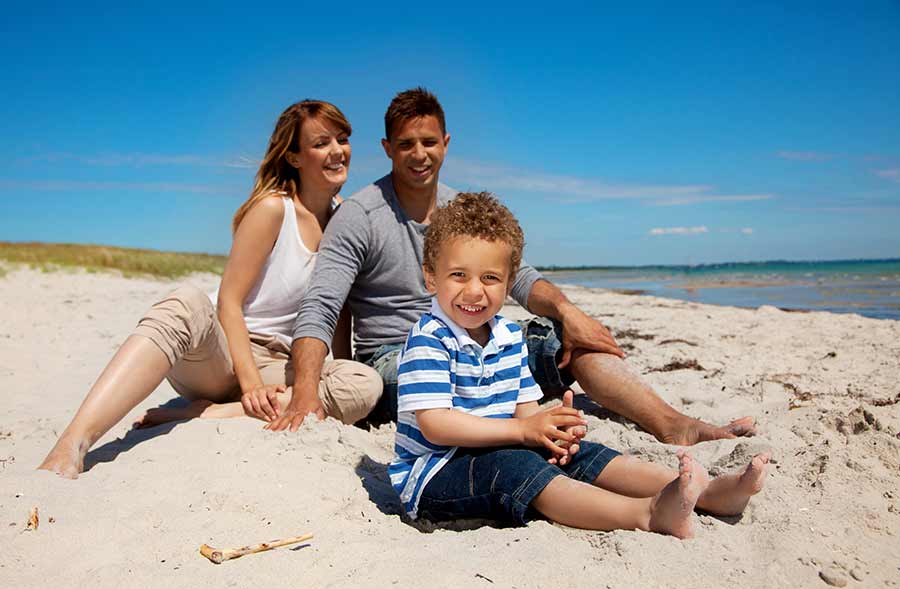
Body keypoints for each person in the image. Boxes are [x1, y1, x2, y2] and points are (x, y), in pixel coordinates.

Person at [269, 87, 755, 447]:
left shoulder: (462, 211)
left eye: (430, 142)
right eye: (406, 144)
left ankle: (673, 424)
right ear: (388, 148)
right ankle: (515, 432)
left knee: (566, 340)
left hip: (478, 337)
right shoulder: (361, 213)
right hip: (402, 355)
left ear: (446, 142)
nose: (420, 154)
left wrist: (568, 312)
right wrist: (306, 392)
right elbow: (321, 305)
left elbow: (518, 276)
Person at [389, 192, 769, 536]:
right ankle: (646, 514)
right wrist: (524, 433)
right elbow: (436, 426)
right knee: (518, 467)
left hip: (500, 446)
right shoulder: (429, 338)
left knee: (577, 454)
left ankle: (711, 493)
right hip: (435, 475)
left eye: (490, 278)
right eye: (459, 275)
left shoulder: (506, 336)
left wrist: (548, 432)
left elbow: (525, 411)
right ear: (430, 277)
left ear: (508, 285)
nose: (474, 290)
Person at [39, 100, 383, 479]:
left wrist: (336, 367)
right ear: (295, 157)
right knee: (185, 301)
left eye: (343, 139)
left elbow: (334, 309)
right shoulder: (273, 209)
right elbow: (230, 303)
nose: (337, 151)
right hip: (227, 356)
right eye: (321, 143)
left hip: (284, 368)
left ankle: (209, 412)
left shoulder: (346, 219)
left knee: (364, 383)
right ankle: (72, 444)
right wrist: (250, 384)